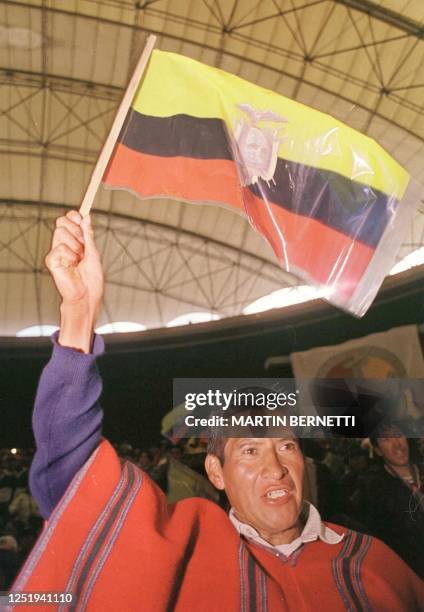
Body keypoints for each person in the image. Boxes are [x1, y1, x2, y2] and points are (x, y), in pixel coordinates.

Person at [12, 211, 424, 610]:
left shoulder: (372, 561)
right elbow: (74, 481)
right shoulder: (184, 551)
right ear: (215, 472)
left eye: (286, 446)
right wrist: (79, 313)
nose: (276, 467)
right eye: (250, 451)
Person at [366, 424, 424, 578]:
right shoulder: (377, 492)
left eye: (398, 435)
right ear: (377, 450)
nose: (397, 444)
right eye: (386, 439)